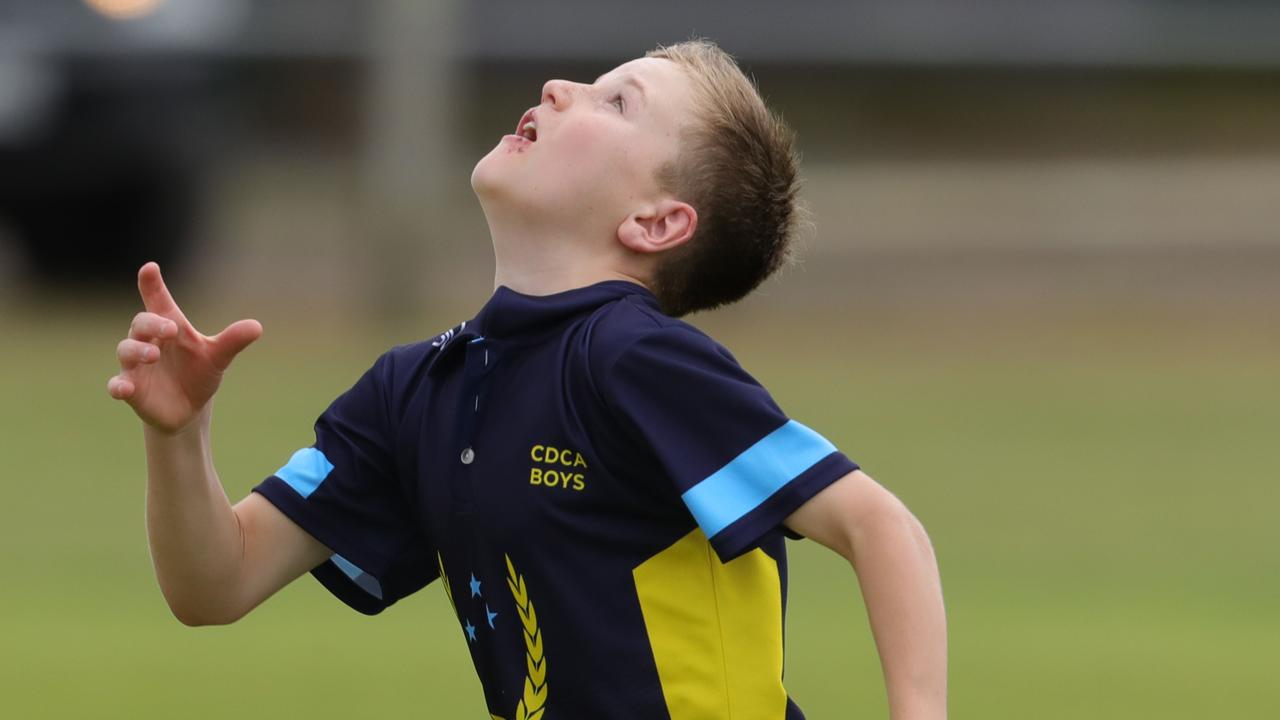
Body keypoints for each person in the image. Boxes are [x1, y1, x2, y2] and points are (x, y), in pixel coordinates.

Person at [108, 39, 946, 720]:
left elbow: (881, 527)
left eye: (618, 102)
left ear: (656, 222)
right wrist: (178, 437)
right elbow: (216, 583)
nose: (558, 86)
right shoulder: (417, 388)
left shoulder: (635, 360)